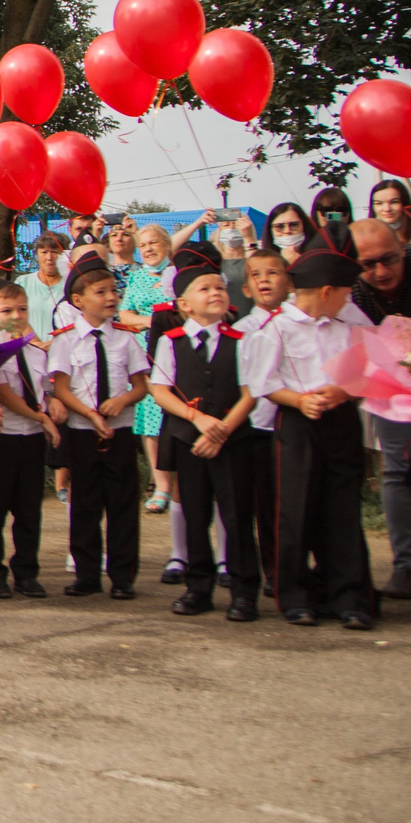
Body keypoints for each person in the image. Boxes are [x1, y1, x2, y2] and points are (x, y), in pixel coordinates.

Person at [244, 222, 375, 628]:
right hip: (297, 424)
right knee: (295, 510)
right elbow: (264, 383)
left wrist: (343, 392)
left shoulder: (349, 327)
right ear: (325, 292)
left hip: (340, 422)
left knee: (342, 510)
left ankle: (350, 596)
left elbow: (367, 374)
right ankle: (295, 595)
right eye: (344, 294)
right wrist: (301, 400)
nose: (347, 301)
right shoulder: (277, 329)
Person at [151, 242, 264, 621]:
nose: (215, 292)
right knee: (195, 513)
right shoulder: (171, 342)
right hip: (189, 441)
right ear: (183, 303)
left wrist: (223, 429)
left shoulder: (240, 341)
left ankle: (245, 590)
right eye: (205, 288)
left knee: (236, 516)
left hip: (233, 442)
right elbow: (160, 389)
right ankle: (198, 588)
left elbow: (250, 393)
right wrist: (197, 420)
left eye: (220, 287)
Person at [46, 252, 152, 598]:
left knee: (123, 503)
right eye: (102, 292)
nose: (111, 298)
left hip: (119, 432)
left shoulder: (125, 337)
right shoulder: (65, 339)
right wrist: (90, 414)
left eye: (113, 292)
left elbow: (141, 384)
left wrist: (122, 400)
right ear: (78, 300)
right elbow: (61, 386)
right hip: (82, 431)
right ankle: (86, 573)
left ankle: (123, 577)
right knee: (85, 504)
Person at [351, 216, 411, 606]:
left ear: (404, 248)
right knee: (397, 470)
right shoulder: (352, 288)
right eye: (369, 265)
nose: (381, 272)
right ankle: (407, 565)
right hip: (389, 381)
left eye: (389, 259)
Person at [0, 280, 57, 601]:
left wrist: (52, 402)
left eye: (22, 309)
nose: (16, 316)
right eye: (6, 310)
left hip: (32, 439)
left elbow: (46, 385)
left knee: (29, 508)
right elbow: (4, 394)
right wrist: (41, 417)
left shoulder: (35, 350)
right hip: (3, 435)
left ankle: (26, 571)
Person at [118, 223, 174, 515]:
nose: (149, 249)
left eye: (154, 243)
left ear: (167, 245)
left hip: (177, 350)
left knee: (174, 415)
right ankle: (160, 485)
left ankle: (178, 484)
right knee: (150, 418)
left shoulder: (177, 275)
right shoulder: (137, 277)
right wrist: (152, 321)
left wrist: (151, 320)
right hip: (146, 353)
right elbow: (125, 313)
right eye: (143, 245)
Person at [23, 231, 70, 336]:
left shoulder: (71, 285)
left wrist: (53, 344)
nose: (49, 258)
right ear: (37, 254)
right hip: (31, 348)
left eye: (54, 252)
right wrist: (36, 344)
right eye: (44, 252)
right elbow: (14, 319)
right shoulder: (23, 283)